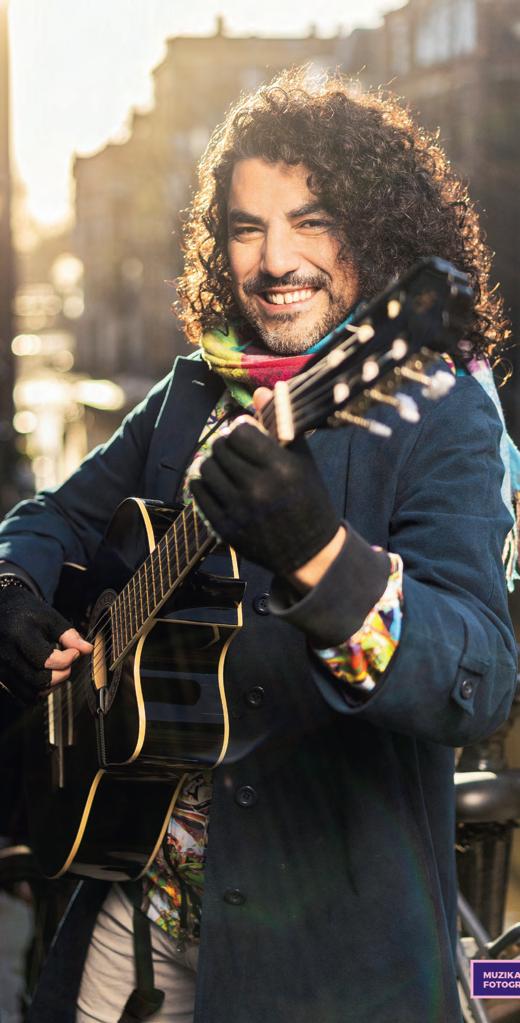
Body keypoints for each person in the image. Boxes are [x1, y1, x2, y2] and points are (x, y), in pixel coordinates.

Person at [0, 67, 517, 1023]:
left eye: (311, 221)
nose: (275, 259)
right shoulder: (194, 391)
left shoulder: (442, 410)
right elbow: (50, 518)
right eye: (247, 228)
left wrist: (319, 552)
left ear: (375, 228)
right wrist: (13, 593)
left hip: (323, 959)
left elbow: (478, 677)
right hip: (135, 909)